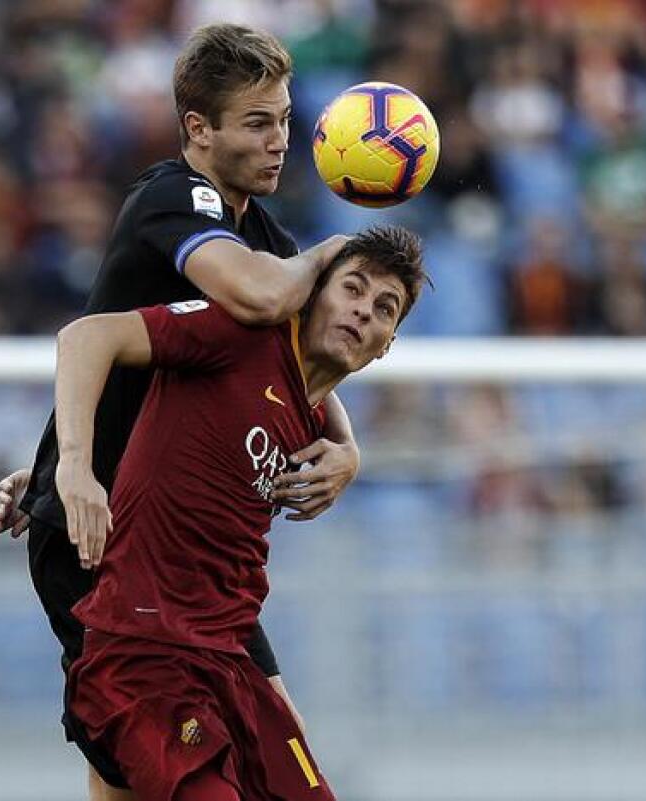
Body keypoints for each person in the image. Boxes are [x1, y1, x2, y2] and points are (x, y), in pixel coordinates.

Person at [0, 23, 360, 799]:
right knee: (161, 758)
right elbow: (256, 296)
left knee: (212, 745)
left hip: (183, 550)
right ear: (199, 128)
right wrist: (74, 469)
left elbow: (298, 363)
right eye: (258, 123)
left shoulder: (263, 231)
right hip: (101, 542)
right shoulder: (175, 199)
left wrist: (348, 447)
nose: (280, 141)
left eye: (286, 119)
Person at [59, 225, 425, 801]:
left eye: (384, 309)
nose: (363, 312)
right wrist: (71, 467)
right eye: (352, 289)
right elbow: (86, 338)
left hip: (230, 665)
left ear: (386, 345)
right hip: (145, 654)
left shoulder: (313, 423)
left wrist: (351, 448)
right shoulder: (240, 335)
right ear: (312, 294)